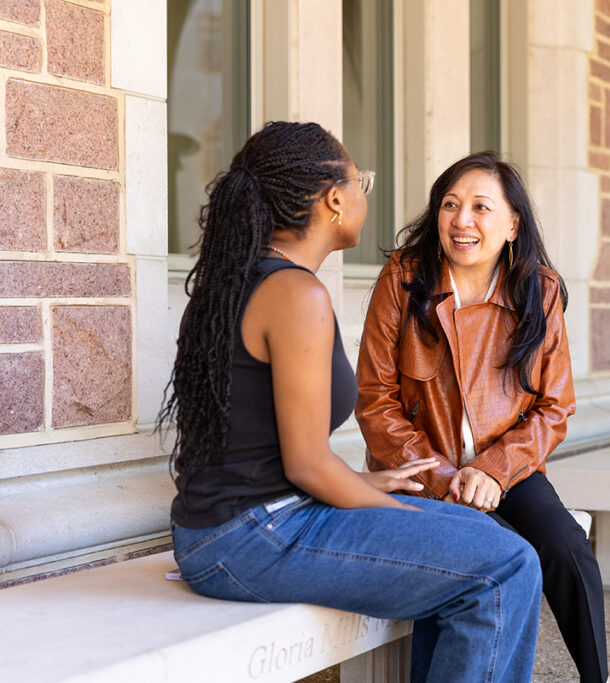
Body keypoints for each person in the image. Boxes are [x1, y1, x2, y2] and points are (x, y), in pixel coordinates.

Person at [159, 122, 542, 683]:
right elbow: (306, 465)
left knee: (477, 545)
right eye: (360, 181)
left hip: (235, 527)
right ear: (335, 200)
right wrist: (409, 517)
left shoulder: (246, 280)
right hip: (254, 537)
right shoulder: (296, 294)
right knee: (505, 564)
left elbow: (271, 455)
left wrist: (370, 487)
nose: (366, 192)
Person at [356, 151, 609, 682]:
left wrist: (494, 469)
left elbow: (554, 406)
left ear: (512, 223)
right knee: (486, 557)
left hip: (507, 468)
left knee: (566, 547)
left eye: (479, 207)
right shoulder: (404, 278)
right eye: (450, 205)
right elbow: (376, 400)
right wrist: (444, 475)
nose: (461, 221)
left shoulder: (538, 289)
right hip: (422, 472)